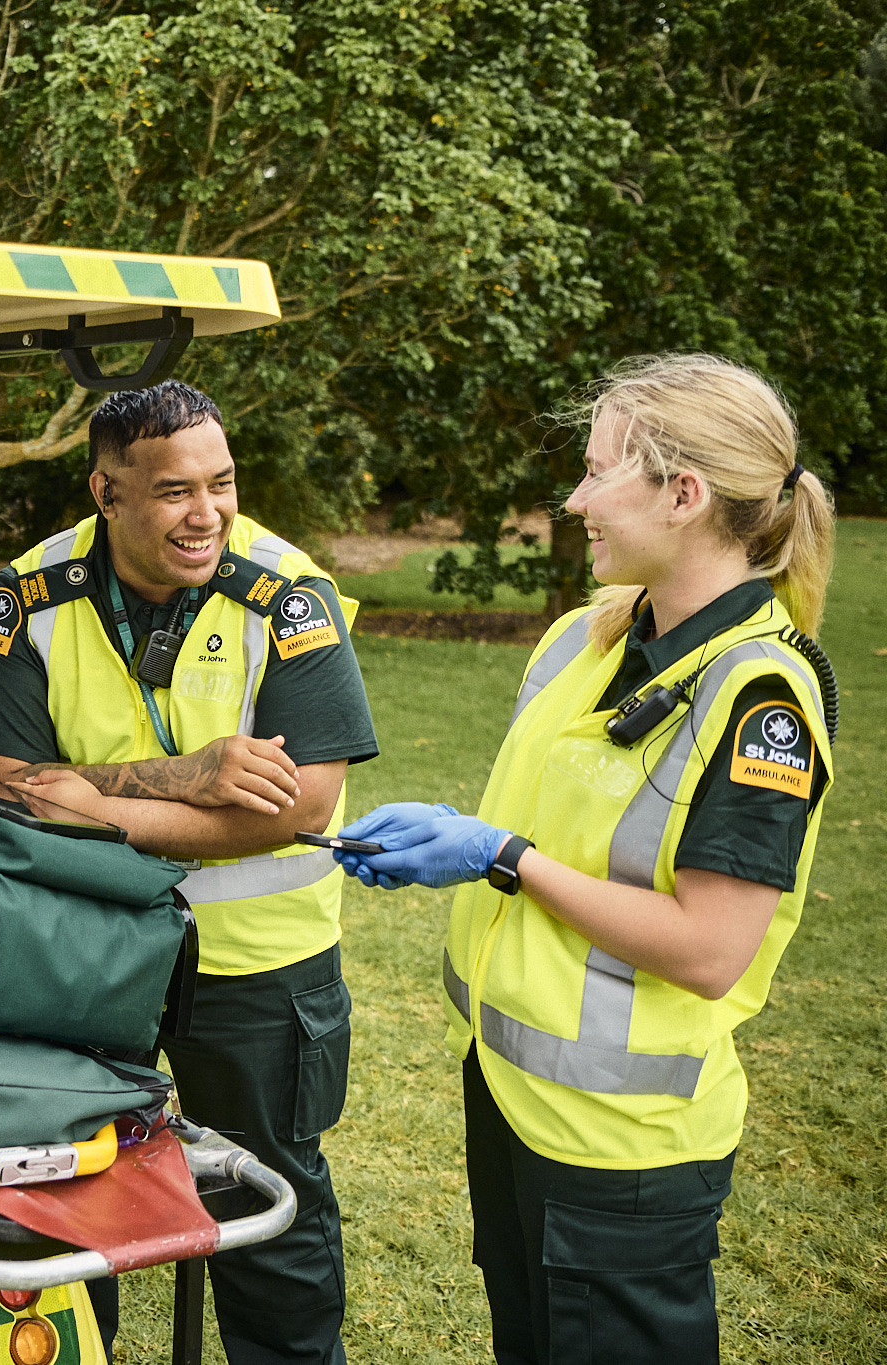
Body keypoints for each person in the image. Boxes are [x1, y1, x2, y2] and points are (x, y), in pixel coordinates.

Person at [331, 355, 836, 1365]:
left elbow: (706, 951)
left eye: (600, 471)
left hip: (621, 1148)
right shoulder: (584, 638)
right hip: (514, 1105)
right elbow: (553, 831)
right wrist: (457, 851)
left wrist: (499, 856)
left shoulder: (756, 703)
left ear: (683, 495)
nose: (572, 500)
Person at [0, 380, 380, 1365]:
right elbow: (12, 792)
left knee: (265, 1199)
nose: (207, 515)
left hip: (258, 965)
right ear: (105, 494)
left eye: (221, 485)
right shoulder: (21, 598)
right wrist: (183, 777)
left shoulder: (289, 595)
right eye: (173, 492)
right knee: (58, 1190)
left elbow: (303, 808)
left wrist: (95, 805)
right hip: (79, 959)